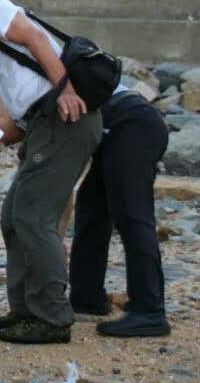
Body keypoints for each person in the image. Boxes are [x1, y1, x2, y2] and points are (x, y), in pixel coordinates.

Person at [0, 0, 102, 344]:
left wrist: (66, 90)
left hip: (62, 116)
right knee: (13, 216)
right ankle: (24, 309)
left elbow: (36, 40)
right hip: (40, 126)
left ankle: (51, 316)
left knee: (32, 216)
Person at [69, 89, 171, 337]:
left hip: (134, 124)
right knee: (92, 205)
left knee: (132, 214)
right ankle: (87, 298)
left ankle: (149, 311)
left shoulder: (23, 68)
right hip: (114, 125)